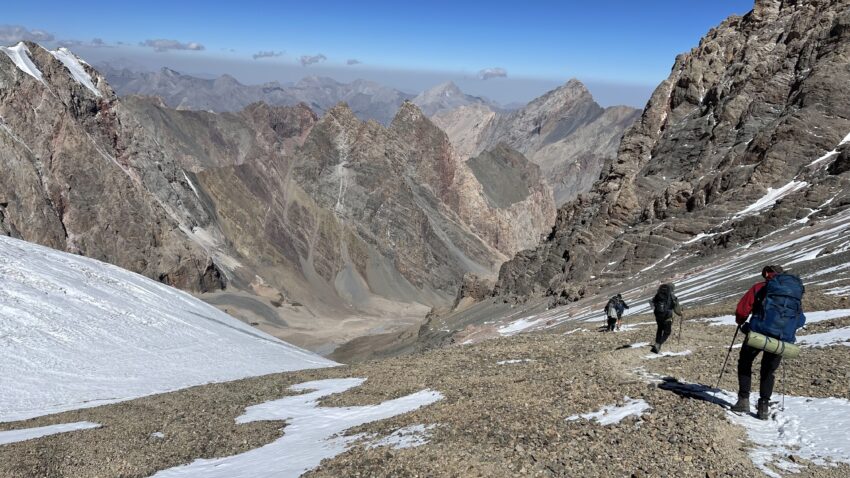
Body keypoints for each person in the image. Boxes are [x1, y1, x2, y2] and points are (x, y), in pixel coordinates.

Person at [730, 265, 805, 420]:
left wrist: (741, 322)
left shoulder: (760, 287)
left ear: (766, 274)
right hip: (780, 338)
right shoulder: (792, 293)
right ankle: (763, 407)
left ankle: (743, 400)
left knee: (745, 363)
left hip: (757, 334)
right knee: (768, 370)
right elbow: (800, 319)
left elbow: (742, 310)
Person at [650, 283, 682, 353]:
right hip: (667, 316)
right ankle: (658, 345)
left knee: (659, 329)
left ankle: (657, 345)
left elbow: (652, 302)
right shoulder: (673, 297)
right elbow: (677, 311)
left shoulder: (658, 295)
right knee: (667, 332)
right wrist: (681, 313)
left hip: (658, 315)